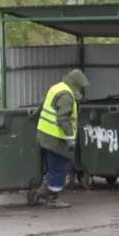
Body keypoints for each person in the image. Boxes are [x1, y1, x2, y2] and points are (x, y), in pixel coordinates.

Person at [34, 69, 89, 208]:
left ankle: (42, 192)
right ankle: (52, 198)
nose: (81, 90)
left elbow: (41, 104)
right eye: (80, 87)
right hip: (55, 138)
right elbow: (63, 117)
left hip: (45, 135)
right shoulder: (66, 95)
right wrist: (70, 137)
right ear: (75, 84)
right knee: (59, 166)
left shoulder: (56, 87)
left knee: (51, 166)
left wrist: (35, 113)